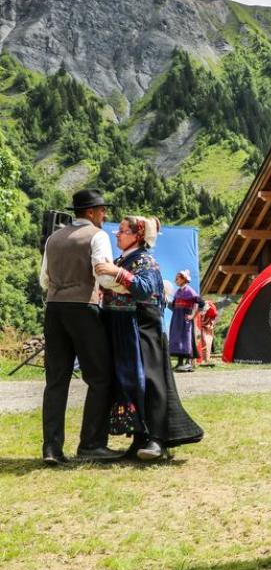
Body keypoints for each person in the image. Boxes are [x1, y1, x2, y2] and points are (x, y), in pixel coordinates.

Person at [94, 216, 204, 459]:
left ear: (138, 235)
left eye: (123, 231)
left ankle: (157, 439)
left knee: (151, 381)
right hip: (123, 327)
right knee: (131, 382)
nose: (117, 235)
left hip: (143, 328)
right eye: (119, 231)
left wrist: (117, 274)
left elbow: (145, 290)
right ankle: (139, 438)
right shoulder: (123, 259)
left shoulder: (146, 261)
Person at [38, 189, 124, 465]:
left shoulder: (53, 239)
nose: (104, 215)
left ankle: (51, 448)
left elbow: (44, 280)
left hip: (53, 309)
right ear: (90, 213)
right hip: (83, 308)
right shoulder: (97, 236)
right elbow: (103, 273)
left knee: (56, 381)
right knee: (100, 377)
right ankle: (91, 444)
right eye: (101, 211)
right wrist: (123, 285)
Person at [168, 270, 203, 372]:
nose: (175, 281)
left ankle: (188, 364)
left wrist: (193, 315)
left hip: (185, 321)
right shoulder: (178, 292)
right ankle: (180, 363)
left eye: (177, 279)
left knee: (186, 340)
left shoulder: (190, 292)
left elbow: (202, 304)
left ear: (184, 279)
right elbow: (174, 306)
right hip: (177, 320)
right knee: (178, 340)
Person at [198, 300, 218, 365]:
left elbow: (214, 317)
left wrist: (211, 324)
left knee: (207, 341)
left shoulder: (212, 310)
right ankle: (201, 359)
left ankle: (206, 359)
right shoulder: (199, 309)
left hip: (208, 326)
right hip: (202, 326)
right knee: (203, 341)